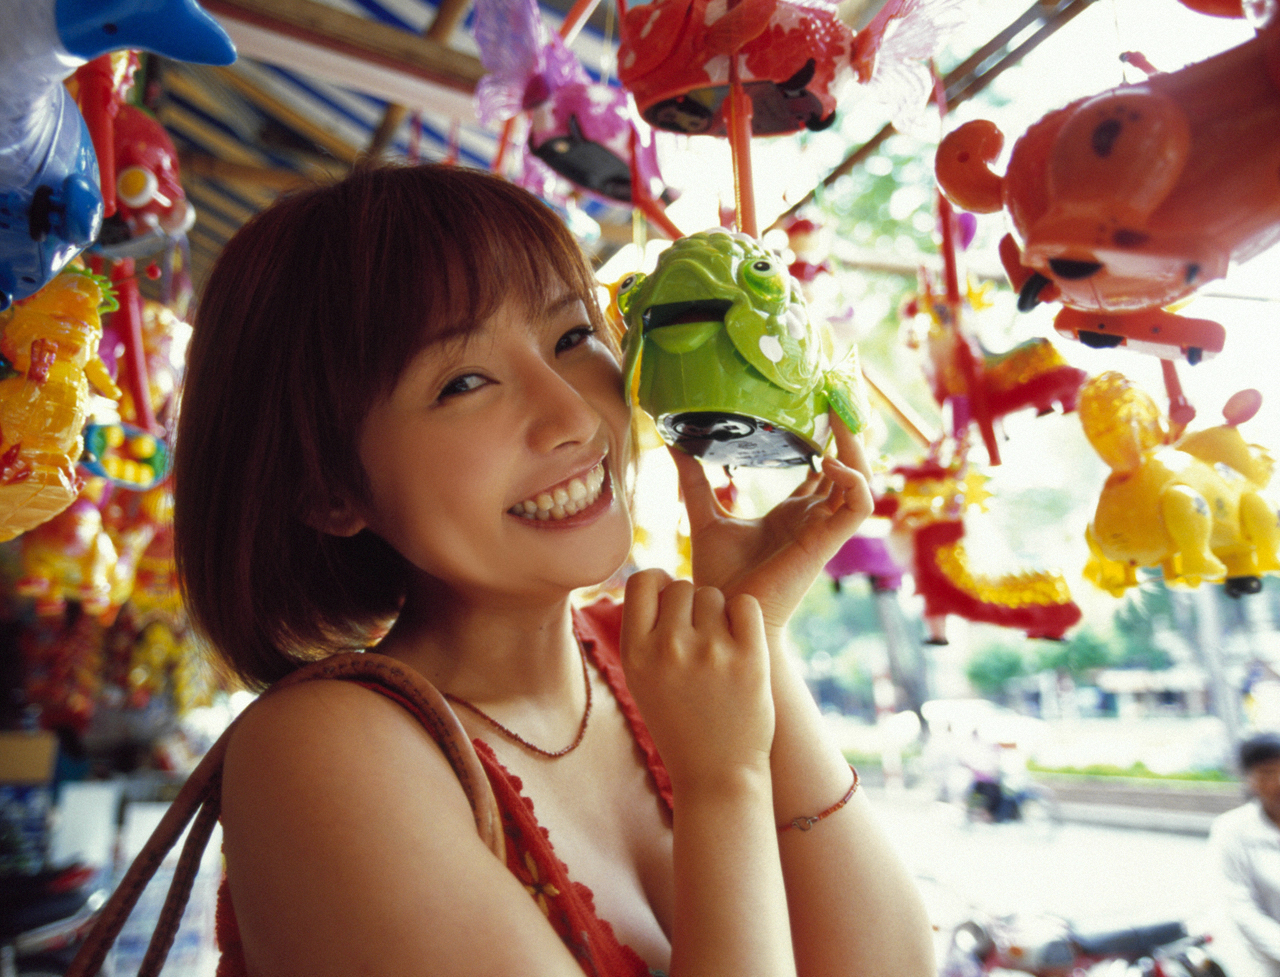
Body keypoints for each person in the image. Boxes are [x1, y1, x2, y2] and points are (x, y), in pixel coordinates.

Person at [172, 162, 935, 977]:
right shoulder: (324, 754)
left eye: (573, 339)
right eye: (463, 382)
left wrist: (752, 633)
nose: (574, 414)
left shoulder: (660, 663)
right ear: (328, 488)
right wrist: (722, 782)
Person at [1210, 732, 1280, 976]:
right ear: (1251, 779)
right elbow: (1241, 908)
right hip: (1266, 964)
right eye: (1269, 773)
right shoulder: (1232, 830)